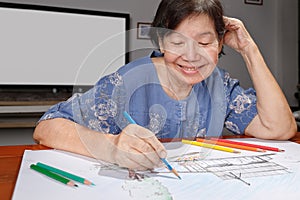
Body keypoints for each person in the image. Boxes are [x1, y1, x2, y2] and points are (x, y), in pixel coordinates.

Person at [33, 0, 297, 171]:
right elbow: (47, 126)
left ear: (219, 44)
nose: (192, 56)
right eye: (177, 42)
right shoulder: (127, 82)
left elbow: (280, 128)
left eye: (205, 43)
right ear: (160, 42)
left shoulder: (220, 86)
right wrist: (111, 146)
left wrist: (249, 50)